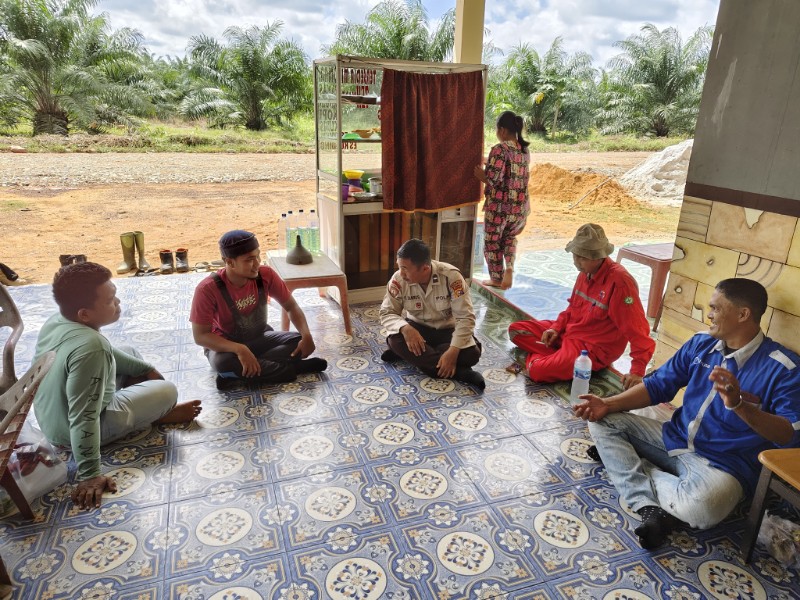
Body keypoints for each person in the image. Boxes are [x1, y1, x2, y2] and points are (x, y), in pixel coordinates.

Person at [575, 278, 800, 549]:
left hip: (723, 465)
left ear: (743, 314)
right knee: (602, 420)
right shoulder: (701, 344)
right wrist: (608, 404)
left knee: (703, 510)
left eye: (716, 308)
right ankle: (647, 503)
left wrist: (739, 405)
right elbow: (659, 386)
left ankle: (630, 463)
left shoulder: (783, 368)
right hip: (674, 437)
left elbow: (789, 436)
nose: (709, 315)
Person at [33, 262, 202, 510]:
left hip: (52, 417)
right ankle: (159, 415)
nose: (118, 302)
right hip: (71, 430)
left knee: (130, 355)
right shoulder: (91, 346)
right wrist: (90, 474)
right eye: (111, 300)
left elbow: (112, 354)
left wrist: (145, 370)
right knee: (168, 391)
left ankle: (152, 409)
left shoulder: (58, 320)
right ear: (85, 314)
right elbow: (83, 416)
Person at [508, 223, 655, 388]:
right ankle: (560, 357)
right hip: (568, 333)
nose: (576, 262)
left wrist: (637, 371)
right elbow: (571, 309)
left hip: (590, 347)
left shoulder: (620, 283)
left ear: (599, 257)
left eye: (582, 257)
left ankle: (562, 360)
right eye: (575, 255)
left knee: (536, 371)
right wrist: (555, 328)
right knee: (516, 331)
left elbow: (638, 330)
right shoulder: (585, 273)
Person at [190, 229, 326, 390]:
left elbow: (291, 306)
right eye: (249, 260)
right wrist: (239, 349)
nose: (257, 263)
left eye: (258, 256)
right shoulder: (208, 289)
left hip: (258, 337)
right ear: (229, 262)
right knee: (224, 364)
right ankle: (294, 368)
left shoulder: (265, 275)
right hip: (226, 348)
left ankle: (239, 374)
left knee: (297, 341)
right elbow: (200, 336)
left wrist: (307, 335)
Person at [379, 239, 485, 389]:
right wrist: (406, 329)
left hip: (447, 329)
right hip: (417, 329)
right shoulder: (398, 279)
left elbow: (465, 318)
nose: (401, 274)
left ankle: (413, 356)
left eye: (405, 268)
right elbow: (387, 312)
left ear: (425, 268)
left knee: (472, 353)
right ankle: (462, 373)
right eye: (399, 267)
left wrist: (453, 351)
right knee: (395, 339)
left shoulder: (451, 277)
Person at [473, 110, 531, 290]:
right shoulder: (523, 150)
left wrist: (481, 176)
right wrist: (488, 162)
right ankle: (510, 267)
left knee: (492, 242)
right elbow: (509, 170)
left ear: (503, 130)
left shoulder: (499, 149)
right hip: (519, 207)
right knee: (509, 238)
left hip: (500, 208)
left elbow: (494, 179)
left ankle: (497, 278)